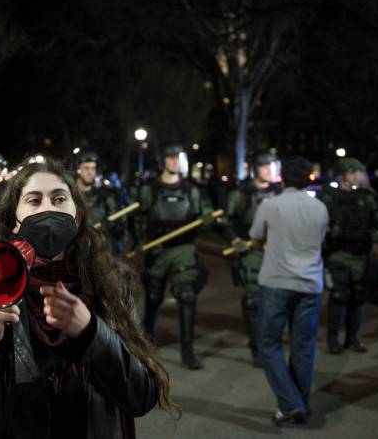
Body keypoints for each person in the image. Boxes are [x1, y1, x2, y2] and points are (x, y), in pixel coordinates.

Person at [0, 159, 176, 438]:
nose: (48, 208)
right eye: (34, 201)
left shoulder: (111, 288)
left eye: (59, 198)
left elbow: (140, 398)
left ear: (78, 216)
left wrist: (93, 333)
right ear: (13, 220)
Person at [250, 156, 328, 426]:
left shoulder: (271, 205)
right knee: (303, 347)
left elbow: (256, 236)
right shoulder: (320, 208)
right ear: (309, 178)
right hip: (310, 283)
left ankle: (290, 402)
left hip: (276, 282)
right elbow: (320, 241)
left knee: (268, 343)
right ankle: (298, 406)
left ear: (282, 178)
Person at [133, 143, 212, 369]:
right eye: (170, 158)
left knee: (187, 295)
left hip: (183, 250)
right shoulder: (150, 189)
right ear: (163, 161)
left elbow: (199, 219)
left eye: (178, 157)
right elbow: (138, 218)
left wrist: (206, 223)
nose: (174, 161)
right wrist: (140, 242)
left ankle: (187, 351)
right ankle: (147, 345)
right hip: (157, 250)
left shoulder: (191, 190)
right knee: (154, 297)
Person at [217, 150, 282, 366]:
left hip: (277, 252)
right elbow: (224, 221)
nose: (270, 171)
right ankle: (257, 348)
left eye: (273, 166)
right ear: (256, 169)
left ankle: (271, 342)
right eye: (265, 166)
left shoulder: (281, 192)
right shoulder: (241, 194)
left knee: (276, 300)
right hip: (251, 251)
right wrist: (235, 240)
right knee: (253, 300)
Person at [318, 157, 378, 354]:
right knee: (339, 296)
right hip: (338, 253)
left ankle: (352, 338)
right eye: (355, 172)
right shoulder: (329, 196)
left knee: (358, 297)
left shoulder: (368, 196)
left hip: (361, 254)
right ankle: (333, 340)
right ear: (344, 174)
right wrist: (330, 233)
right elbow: (318, 222)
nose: (359, 176)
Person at [73, 151, 124, 251]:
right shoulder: (69, 196)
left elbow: (118, 229)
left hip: (98, 251)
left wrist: (111, 227)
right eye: (86, 168)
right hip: (75, 250)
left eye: (93, 168)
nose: (90, 172)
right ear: (78, 170)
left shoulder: (105, 197)